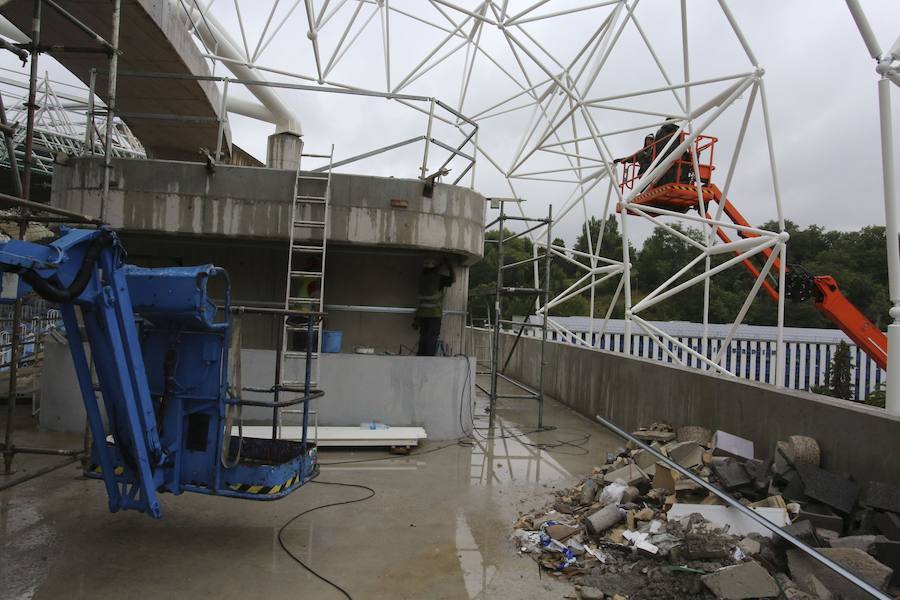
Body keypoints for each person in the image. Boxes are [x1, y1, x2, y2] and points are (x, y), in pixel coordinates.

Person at [414, 256, 456, 356]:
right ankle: (429, 358)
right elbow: (453, 279)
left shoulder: (422, 278)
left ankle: (420, 356)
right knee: (431, 337)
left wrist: (440, 264)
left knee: (423, 336)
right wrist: (449, 266)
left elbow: (432, 271)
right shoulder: (438, 278)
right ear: (434, 268)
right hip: (434, 314)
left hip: (422, 313)